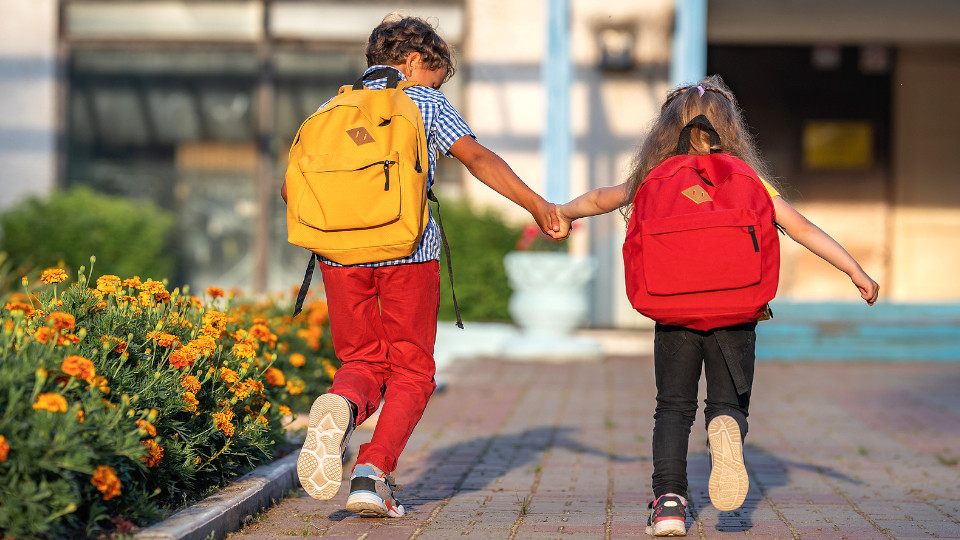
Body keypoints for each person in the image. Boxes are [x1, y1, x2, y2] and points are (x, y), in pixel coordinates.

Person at [553, 75, 879, 537]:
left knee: (672, 408)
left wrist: (562, 214)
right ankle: (726, 422)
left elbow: (597, 199)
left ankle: (669, 502)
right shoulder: (749, 180)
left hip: (674, 308)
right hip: (737, 307)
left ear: (665, 131)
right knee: (726, 401)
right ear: (732, 130)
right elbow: (803, 228)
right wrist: (855, 271)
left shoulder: (651, 178)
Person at [280, 14, 562, 518]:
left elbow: (290, 190)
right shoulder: (423, 101)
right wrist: (537, 206)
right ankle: (372, 474)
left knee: (361, 362)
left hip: (338, 256)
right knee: (412, 369)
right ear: (412, 62)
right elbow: (476, 158)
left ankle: (342, 406)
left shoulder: (332, 107)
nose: (439, 84)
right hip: (408, 250)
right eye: (437, 73)